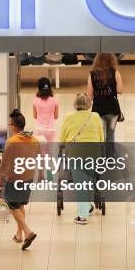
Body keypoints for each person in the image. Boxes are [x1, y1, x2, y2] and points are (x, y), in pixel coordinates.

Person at [0, 109, 40, 250]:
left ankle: (28, 232)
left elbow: (4, 163)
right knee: (20, 205)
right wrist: (41, 176)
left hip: (14, 178)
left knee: (13, 206)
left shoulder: (11, 142)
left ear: (14, 126)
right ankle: (19, 234)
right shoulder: (34, 140)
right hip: (28, 178)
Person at [59, 93, 104, 225]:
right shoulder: (95, 116)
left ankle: (82, 216)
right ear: (88, 105)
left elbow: (62, 138)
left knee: (80, 185)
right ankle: (87, 206)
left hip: (75, 153)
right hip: (93, 153)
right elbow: (101, 138)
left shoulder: (69, 117)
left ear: (75, 104)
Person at [87, 53, 123, 149]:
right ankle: (110, 161)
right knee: (110, 136)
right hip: (113, 110)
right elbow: (120, 90)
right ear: (112, 60)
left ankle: (100, 160)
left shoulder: (92, 74)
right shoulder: (115, 73)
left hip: (98, 110)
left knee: (100, 136)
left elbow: (89, 96)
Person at [33, 77, 59, 142]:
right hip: (51, 130)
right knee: (49, 150)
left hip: (39, 129)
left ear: (39, 88)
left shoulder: (35, 100)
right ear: (50, 88)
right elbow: (56, 116)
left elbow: (35, 116)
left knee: (40, 150)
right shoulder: (54, 101)